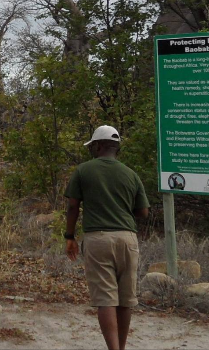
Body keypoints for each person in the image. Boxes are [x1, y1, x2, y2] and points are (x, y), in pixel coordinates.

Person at [65, 125, 149, 350]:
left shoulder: (83, 170)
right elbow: (143, 212)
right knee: (125, 300)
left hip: (98, 239)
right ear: (116, 147)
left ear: (98, 145)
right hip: (127, 239)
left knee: (105, 299)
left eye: (92, 146)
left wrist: (69, 236)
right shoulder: (131, 174)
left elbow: (73, 206)